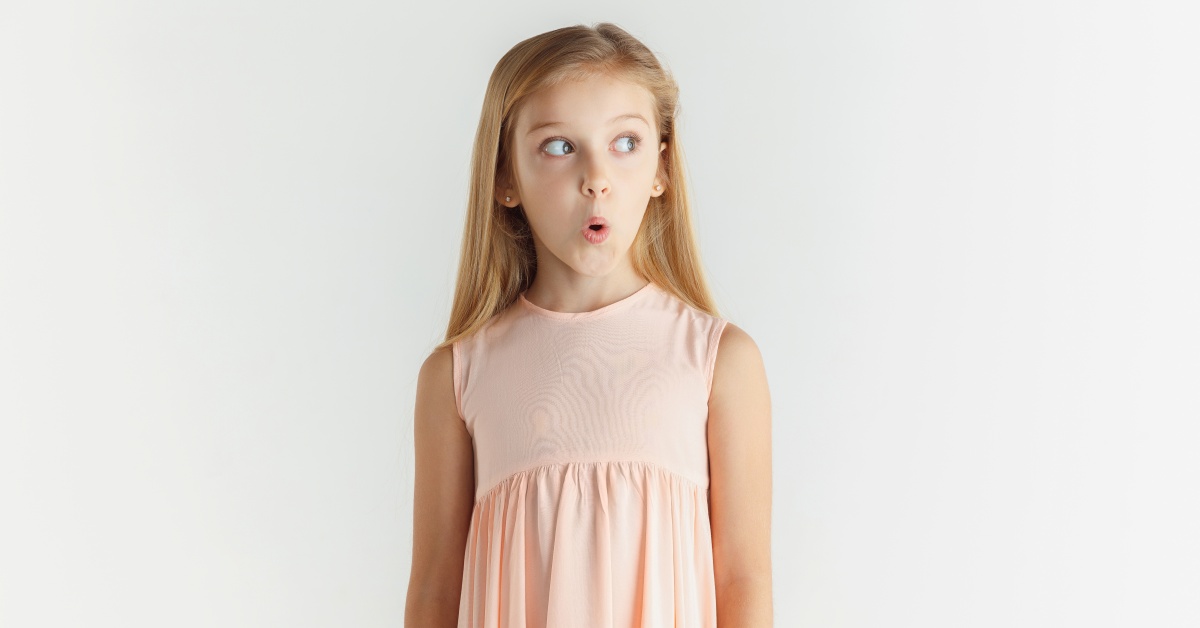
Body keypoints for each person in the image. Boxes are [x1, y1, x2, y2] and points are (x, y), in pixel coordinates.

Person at [405, 22, 772, 628]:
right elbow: (432, 594)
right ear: (505, 177)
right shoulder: (457, 376)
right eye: (559, 146)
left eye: (625, 142)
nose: (596, 177)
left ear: (661, 168)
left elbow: (743, 580)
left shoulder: (717, 361)